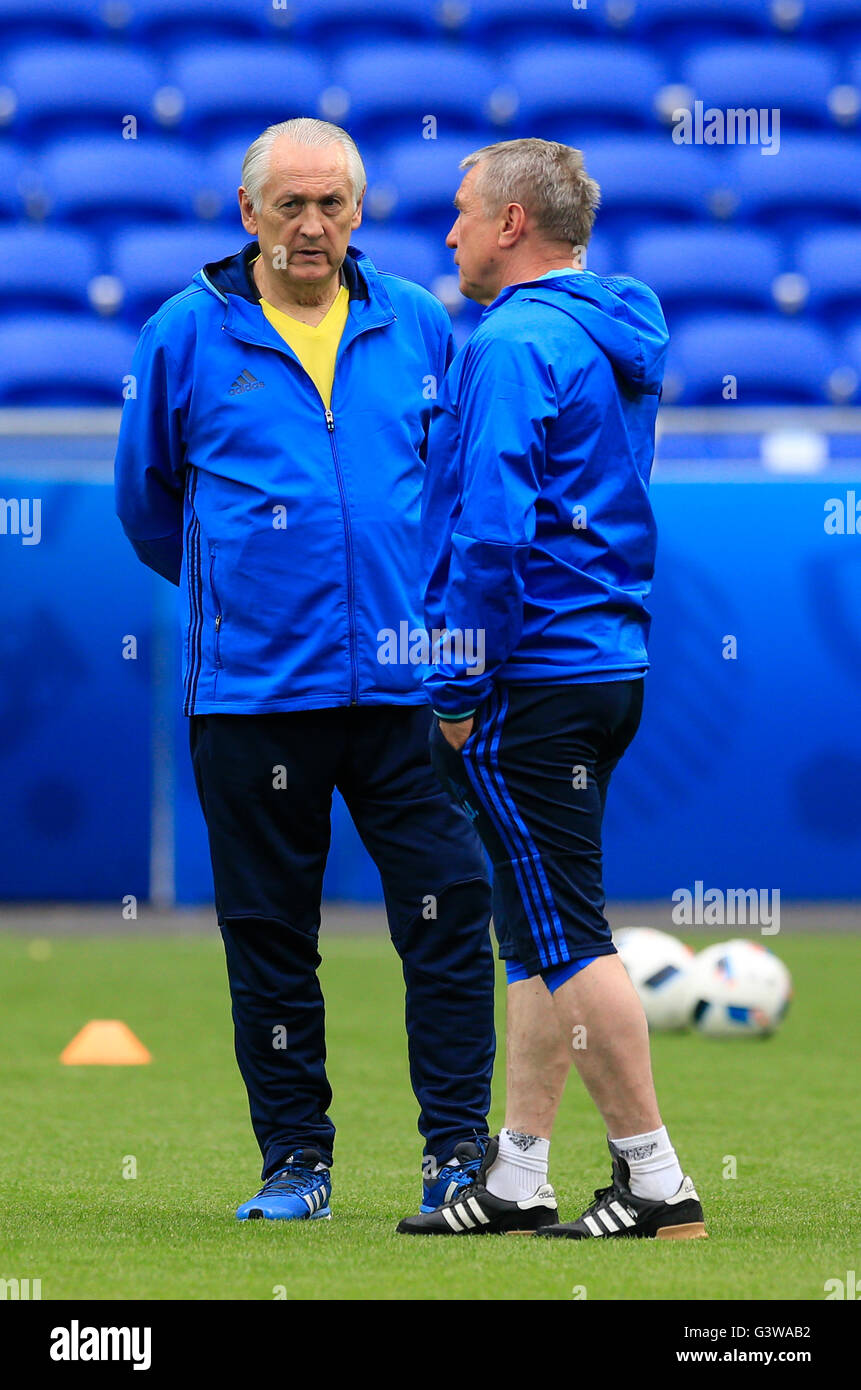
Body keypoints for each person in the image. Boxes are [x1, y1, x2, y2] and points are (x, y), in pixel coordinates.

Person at [114, 118, 496, 1222]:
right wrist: (252, 595)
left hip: (407, 693)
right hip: (254, 699)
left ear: (359, 214)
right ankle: (297, 1163)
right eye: (291, 205)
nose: (312, 225)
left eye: (332, 204)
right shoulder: (185, 333)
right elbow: (151, 510)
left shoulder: (421, 325)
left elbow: (463, 496)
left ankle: (456, 1157)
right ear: (249, 215)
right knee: (274, 939)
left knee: (447, 919)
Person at [397, 138, 706, 1240]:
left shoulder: (517, 339)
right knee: (532, 927)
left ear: (513, 225)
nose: (450, 234)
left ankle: (659, 1181)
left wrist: (457, 682)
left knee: (568, 929)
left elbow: (490, 528)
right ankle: (519, 1175)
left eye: (462, 211)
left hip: (532, 672)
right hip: (602, 660)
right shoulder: (607, 321)